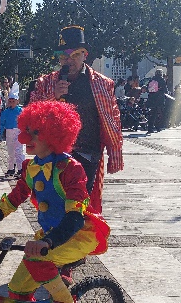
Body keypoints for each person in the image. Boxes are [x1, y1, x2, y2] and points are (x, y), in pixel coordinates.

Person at [0, 100, 110, 303]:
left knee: (36, 259)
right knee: (17, 290)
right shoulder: (31, 167)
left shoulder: (71, 169)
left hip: (78, 235)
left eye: (34, 132)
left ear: (54, 135)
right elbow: (11, 202)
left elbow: (75, 218)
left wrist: (48, 242)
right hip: (49, 238)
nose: (24, 137)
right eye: (26, 129)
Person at [29, 25, 123, 214]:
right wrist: (52, 96)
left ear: (84, 55)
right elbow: (31, 114)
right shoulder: (45, 83)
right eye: (63, 56)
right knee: (54, 204)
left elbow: (113, 119)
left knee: (79, 207)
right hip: (54, 155)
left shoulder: (102, 84)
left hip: (88, 154)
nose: (68, 60)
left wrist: (115, 151)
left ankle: (77, 240)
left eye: (74, 55)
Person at [0, 91, 25, 177]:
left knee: (18, 151)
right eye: (10, 101)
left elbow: (25, 122)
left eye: (13, 101)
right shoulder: (6, 112)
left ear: (17, 101)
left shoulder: (21, 111)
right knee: (10, 151)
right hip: (9, 131)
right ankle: (11, 168)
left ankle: (21, 169)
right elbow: (2, 123)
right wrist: (0, 133)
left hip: (18, 131)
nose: (11, 103)